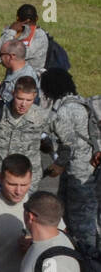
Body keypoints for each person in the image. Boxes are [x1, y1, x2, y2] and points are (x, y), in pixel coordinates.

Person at [42, 68, 100, 256]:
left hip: (78, 171)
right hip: (89, 169)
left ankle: (88, 261)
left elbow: (67, 145)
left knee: (80, 220)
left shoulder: (66, 110)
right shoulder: (81, 103)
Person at [0, 76, 50, 191]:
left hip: (25, 184)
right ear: (13, 94)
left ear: (35, 97)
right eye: (20, 98)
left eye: (29, 100)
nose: (23, 104)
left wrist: (60, 162)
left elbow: (66, 137)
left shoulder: (41, 116)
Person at [0, 4, 50, 75]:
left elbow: (12, 57)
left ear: (17, 18)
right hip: (13, 78)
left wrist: (10, 32)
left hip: (29, 81)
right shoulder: (13, 32)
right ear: (37, 18)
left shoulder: (39, 36)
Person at [0, 39, 40, 106]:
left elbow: (22, 108)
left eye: (1, 54)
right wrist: (2, 85)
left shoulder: (26, 79)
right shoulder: (12, 69)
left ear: (11, 56)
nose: (0, 58)